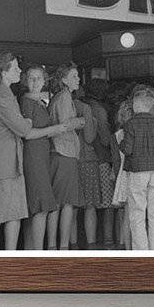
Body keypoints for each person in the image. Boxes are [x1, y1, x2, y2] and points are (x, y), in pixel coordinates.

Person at [0, 52, 82, 251]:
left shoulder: (14, 96)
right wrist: (62, 127)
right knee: (6, 213)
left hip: (20, 159)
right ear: (4, 71)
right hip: (10, 160)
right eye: (17, 68)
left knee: (15, 213)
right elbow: (25, 131)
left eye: (38, 78)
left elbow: (24, 126)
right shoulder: (6, 95)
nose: (21, 72)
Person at [120, 85, 154, 250]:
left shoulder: (130, 124)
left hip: (137, 171)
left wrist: (120, 143)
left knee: (137, 214)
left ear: (136, 105)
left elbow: (127, 149)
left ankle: (141, 251)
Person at [18, 65, 60, 250]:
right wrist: (58, 128)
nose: (35, 82)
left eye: (38, 78)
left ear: (45, 80)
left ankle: (30, 251)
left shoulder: (39, 102)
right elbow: (27, 133)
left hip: (42, 155)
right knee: (41, 206)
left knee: (35, 207)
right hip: (33, 155)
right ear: (26, 81)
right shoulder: (27, 102)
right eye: (31, 78)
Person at [48, 62, 86, 249]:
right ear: (64, 79)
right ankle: (62, 246)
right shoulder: (64, 97)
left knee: (57, 202)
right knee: (67, 202)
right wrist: (80, 121)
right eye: (74, 76)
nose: (78, 79)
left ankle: (54, 245)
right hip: (65, 151)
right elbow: (65, 124)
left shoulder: (59, 97)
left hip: (58, 152)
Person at [80, 79, 117, 248]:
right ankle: (108, 240)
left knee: (87, 204)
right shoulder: (99, 110)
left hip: (82, 158)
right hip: (101, 159)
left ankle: (84, 243)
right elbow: (104, 138)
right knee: (108, 203)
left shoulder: (80, 105)